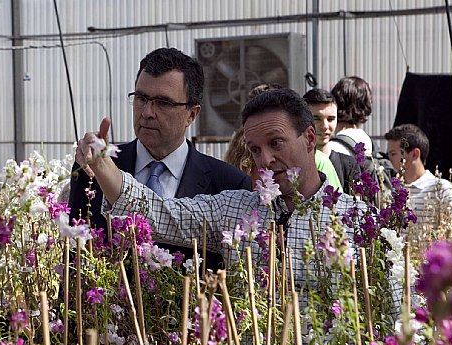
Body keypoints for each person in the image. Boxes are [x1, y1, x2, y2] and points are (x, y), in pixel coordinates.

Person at [76, 88, 361, 293]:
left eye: (276, 143)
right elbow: (160, 214)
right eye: (255, 149)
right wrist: (104, 167)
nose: (265, 160)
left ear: (309, 138)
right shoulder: (235, 210)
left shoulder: (356, 221)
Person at [68, 47, 252, 270]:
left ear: (191, 114)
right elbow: (74, 259)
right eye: (141, 98)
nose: (147, 112)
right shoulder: (97, 166)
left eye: (163, 103)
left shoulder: (228, 184)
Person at [385, 124, 452, 227]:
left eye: (393, 154)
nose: (389, 159)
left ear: (415, 154)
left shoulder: (441, 188)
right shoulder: (391, 190)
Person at [304, 88, 360, 193]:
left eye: (331, 119)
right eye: (316, 119)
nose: (325, 126)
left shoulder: (349, 165)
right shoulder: (296, 163)